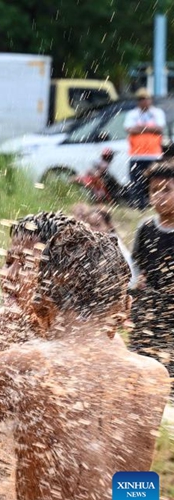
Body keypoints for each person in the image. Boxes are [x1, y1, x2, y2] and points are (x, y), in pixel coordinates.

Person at [0, 214, 169, 500]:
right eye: (8, 262)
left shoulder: (19, 365)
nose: (11, 277)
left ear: (42, 301)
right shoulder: (152, 375)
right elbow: (134, 481)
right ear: (124, 307)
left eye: (26, 265)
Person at [130, 160, 174, 382]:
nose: (159, 196)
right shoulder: (146, 228)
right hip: (147, 310)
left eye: (166, 190)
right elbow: (135, 266)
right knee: (141, 366)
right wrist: (135, 284)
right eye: (154, 190)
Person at [71, 203, 139, 287]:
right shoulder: (89, 245)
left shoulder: (115, 246)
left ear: (109, 226)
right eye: (90, 225)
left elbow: (132, 279)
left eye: (97, 225)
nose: (93, 230)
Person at [124, 88, 166, 209]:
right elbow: (129, 129)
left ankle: (154, 203)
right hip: (137, 154)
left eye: (145, 98)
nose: (143, 101)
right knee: (137, 182)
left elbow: (159, 129)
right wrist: (149, 128)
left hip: (153, 154)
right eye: (140, 99)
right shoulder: (132, 114)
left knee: (154, 181)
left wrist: (140, 128)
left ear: (150, 100)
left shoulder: (157, 113)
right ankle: (139, 205)